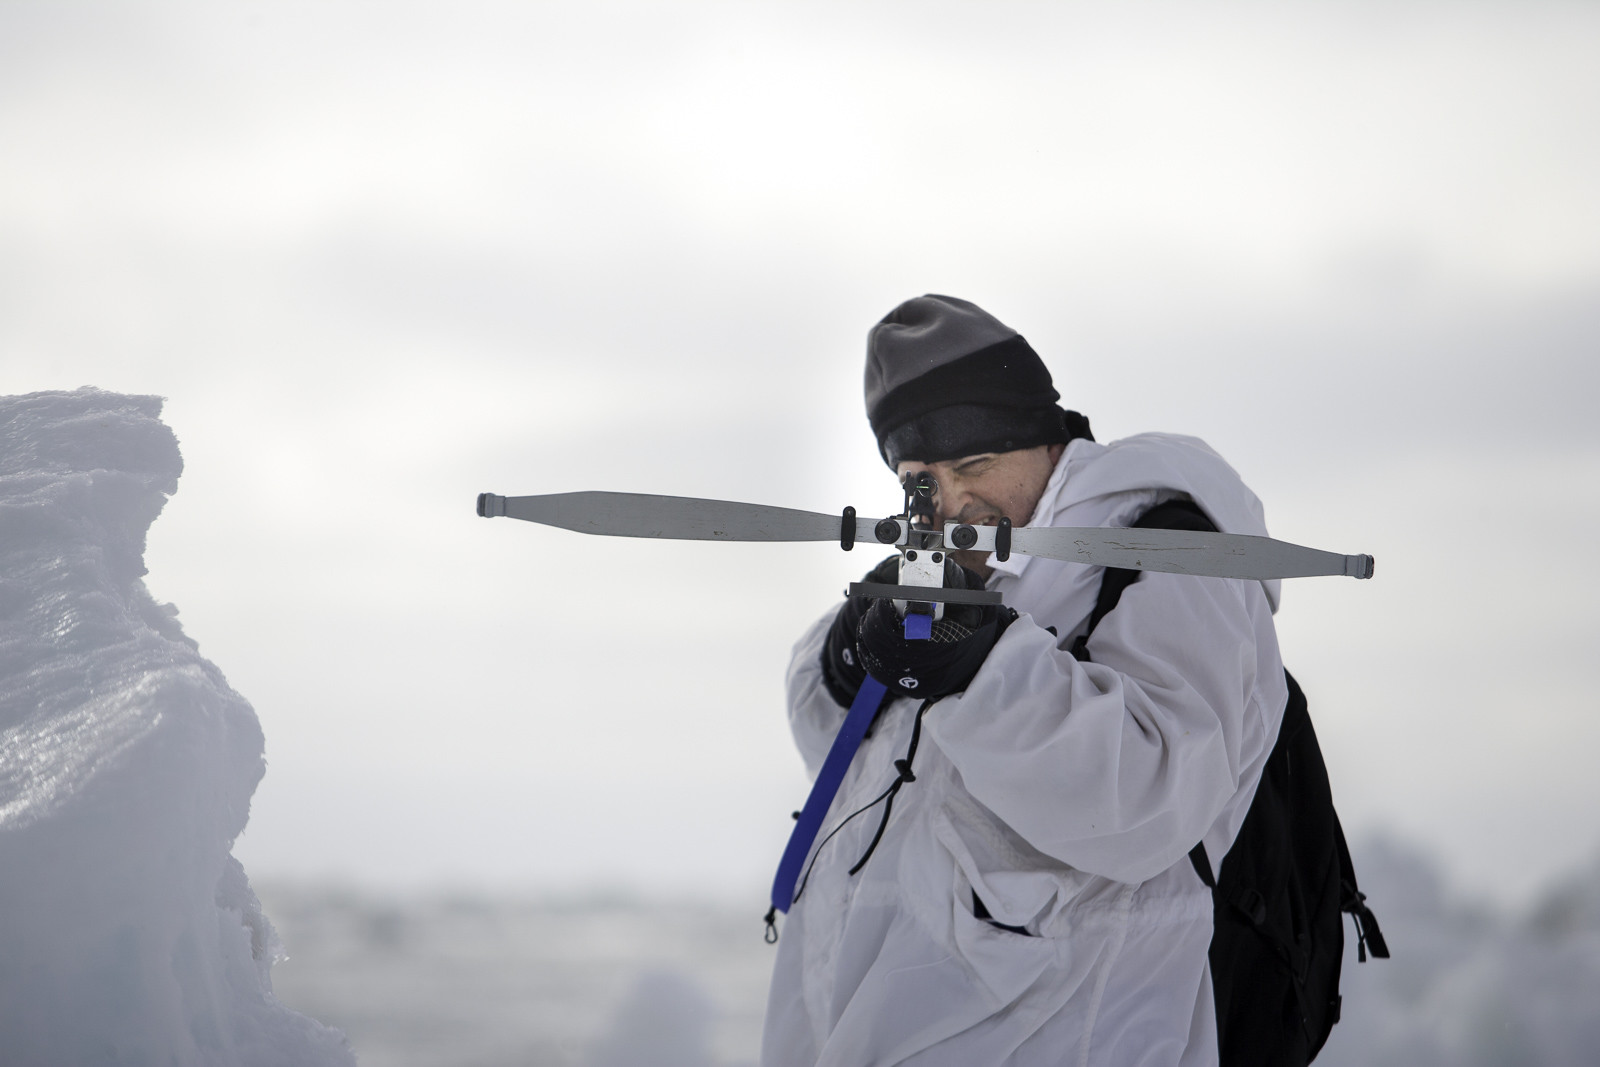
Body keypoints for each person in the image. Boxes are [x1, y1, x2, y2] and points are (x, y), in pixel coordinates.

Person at [762, 294, 1289, 1067]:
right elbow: (846, 769)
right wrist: (845, 660)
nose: (952, 506)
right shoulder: (957, 568)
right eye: (921, 481)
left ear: (1045, 440)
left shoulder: (1163, 552)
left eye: (973, 466)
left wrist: (978, 666)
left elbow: (1148, 797)